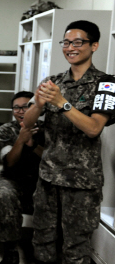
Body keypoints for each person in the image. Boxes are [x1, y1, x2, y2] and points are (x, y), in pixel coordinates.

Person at [23, 20, 115, 264]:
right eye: (66, 42)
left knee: (75, 248)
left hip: (82, 182)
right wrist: (40, 103)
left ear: (94, 45)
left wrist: (62, 103)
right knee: (42, 241)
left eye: (78, 42)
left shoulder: (106, 84)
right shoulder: (53, 81)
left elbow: (94, 128)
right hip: (49, 177)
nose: (70, 48)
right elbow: (27, 122)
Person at [0, 91, 44, 264]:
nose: (21, 111)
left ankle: (41, 248)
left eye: (26, 106)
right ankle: (10, 249)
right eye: (16, 107)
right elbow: (9, 162)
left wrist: (33, 145)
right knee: (4, 194)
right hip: (12, 177)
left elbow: (52, 160)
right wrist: (21, 141)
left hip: (41, 180)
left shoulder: (47, 129)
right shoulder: (6, 129)